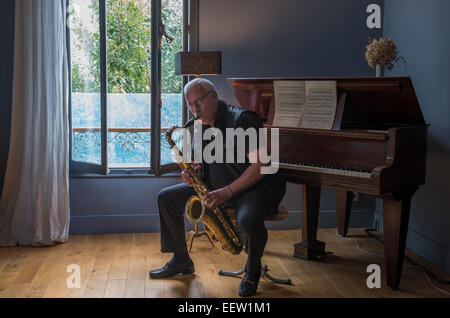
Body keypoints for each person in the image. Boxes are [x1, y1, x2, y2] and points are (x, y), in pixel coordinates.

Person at [149, 78, 286, 297]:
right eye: (190, 105)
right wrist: (195, 173)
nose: (194, 110)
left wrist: (227, 192)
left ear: (214, 96)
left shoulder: (243, 120)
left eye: (198, 102)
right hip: (217, 187)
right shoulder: (202, 123)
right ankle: (181, 259)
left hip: (252, 188)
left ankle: (252, 271)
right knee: (166, 198)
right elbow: (207, 161)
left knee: (248, 220)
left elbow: (261, 165)